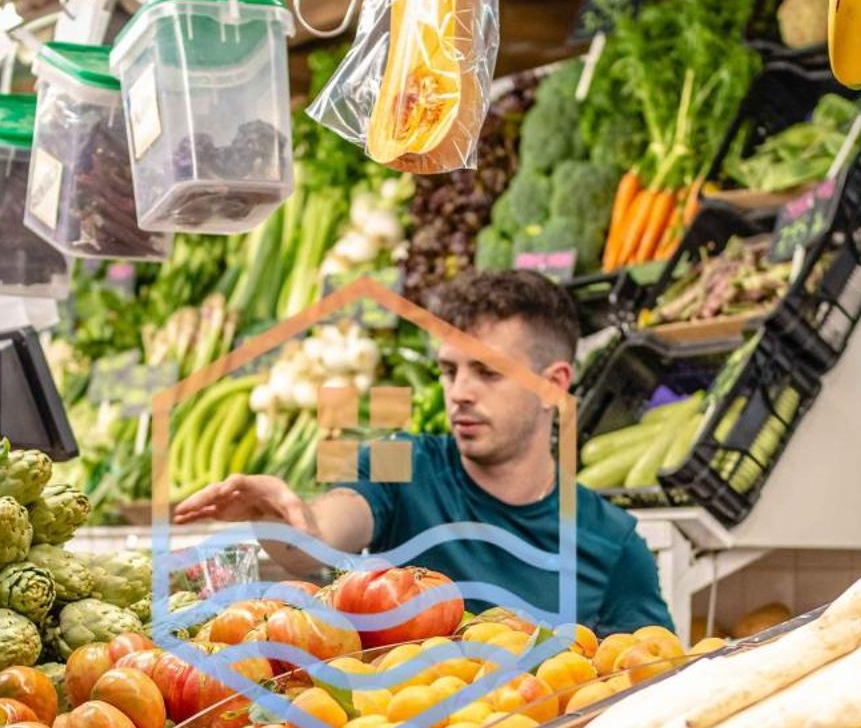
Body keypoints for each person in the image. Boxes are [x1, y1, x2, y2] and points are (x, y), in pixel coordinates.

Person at [174, 270, 672, 636]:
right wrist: (281, 517)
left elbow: (650, 683)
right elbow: (325, 534)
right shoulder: (405, 463)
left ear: (553, 385)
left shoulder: (612, 544)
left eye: (487, 373)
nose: (459, 393)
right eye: (449, 371)